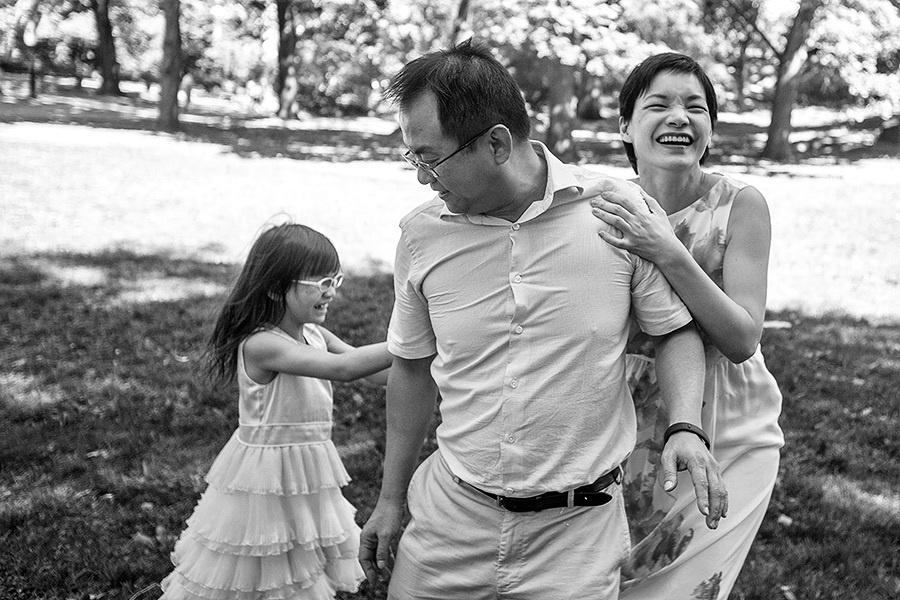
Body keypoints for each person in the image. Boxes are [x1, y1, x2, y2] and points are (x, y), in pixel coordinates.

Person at [358, 39, 728, 600]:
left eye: (430, 158)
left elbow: (673, 330)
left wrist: (685, 426)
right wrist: (390, 499)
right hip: (450, 522)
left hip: (576, 540)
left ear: (498, 144)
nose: (421, 177)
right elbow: (411, 367)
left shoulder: (616, 215)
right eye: (412, 157)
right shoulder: (421, 233)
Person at [591, 53, 784, 599]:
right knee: (615, 584)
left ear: (710, 130)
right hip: (622, 419)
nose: (679, 117)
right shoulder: (606, 205)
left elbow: (743, 338)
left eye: (695, 107)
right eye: (659, 104)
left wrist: (669, 251)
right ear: (626, 126)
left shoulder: (740, 205)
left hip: (726, 423)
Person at [159, 223, 393, 600]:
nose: (331, 291)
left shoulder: (316, 335)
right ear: (274, 286)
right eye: (321, 282)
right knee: (255, 569)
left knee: (300, 568)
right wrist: (413, 336)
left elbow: (374, 372)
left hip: (306, 471)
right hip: (264, 477)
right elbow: (343, 370)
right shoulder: (262, 343)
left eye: (336, 279)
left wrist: (431, 360)